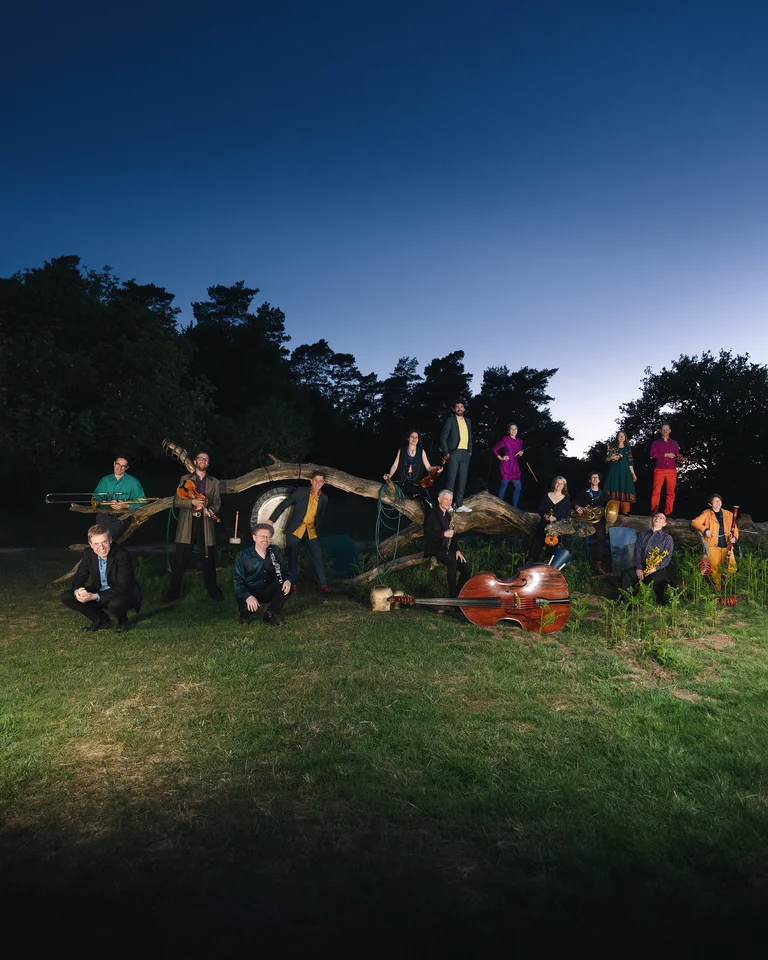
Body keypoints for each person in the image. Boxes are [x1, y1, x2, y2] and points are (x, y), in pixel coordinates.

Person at [162, 451, 223, 602]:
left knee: (208, 558)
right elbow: (177, 501)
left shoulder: (214, 482)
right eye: (200, 458)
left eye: (206, 459)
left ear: (208, 463)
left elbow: (217, 502)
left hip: (205, 522)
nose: (203, 461)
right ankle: (173, 592)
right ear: (195, 461)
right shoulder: (185, 479)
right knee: (180, 558)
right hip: (187, 522)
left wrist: (211, 511)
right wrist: (192, 502)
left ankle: (213, 591)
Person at [61, 524, 142, 633]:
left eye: (104, 542)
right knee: (68, 596)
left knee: (115, 603)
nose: (102, 547)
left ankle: (123, 621)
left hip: (122, 594)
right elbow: (79, 577)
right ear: (90, 544)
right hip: (100, 590)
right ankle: (102, 620)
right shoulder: (89, 553)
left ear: (110, 540)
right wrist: (79, 591)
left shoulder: (122, 555)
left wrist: (94, 596)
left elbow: (122, 587)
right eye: (96, 544)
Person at [270, 470, 331, 594]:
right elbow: (285, 504)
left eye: (320, 481)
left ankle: (323, 585)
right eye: (316, 480)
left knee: (318, 556)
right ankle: (291, 585)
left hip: (311, 530)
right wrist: (271, 520)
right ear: (311, 481)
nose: (318, 483)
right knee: (292, 558)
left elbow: (320, 517)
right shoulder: (301, 492)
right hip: (295, 529)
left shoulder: (324, 498)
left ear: (323, 483)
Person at [233, 523, 293, 626]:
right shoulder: (243, 555)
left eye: (268, 537)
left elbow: (285, 570)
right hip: (250, 590)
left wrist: (288, 580)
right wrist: (248, 596)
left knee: (287, 587)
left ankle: (271, 613)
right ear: (254, 537)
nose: (265, 539)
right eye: (262, 536)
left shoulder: (275, 551)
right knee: (245, 606)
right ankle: (244, 614)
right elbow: (237, 581)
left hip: (268, 589)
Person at [424, 489, 471, 597]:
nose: (448, 502)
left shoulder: (448, 516)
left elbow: (452, 536)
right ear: (439, 499)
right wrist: (443, 534)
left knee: (467, 567)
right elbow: (427, 534)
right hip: (436, 548)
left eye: (450, 500)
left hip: (448, 548)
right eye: (446, 499)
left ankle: (460, 594)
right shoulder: (432, 514)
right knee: (452, 563)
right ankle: (453, 597)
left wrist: (457, 550)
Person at [383, 430, 442, 515]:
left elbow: (429, 467)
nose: (414, 439)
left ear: (418, 439)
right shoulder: (402, 450)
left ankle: (432, 514)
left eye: (416, 437)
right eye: (412, 436)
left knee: (427, 496)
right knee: (416, 493)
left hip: (417, 481)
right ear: (408, 438)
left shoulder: (421, 452)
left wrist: (437, 468)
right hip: (404, 481)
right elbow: (395, 465)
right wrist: (390, 475)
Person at [620, 513, 674, 603]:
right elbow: (637, 553)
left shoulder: (667, 539)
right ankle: (627, 601)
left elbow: (667, 558)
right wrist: (639, 568)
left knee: (652, 580)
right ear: (652, 519)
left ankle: (643, 602)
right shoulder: (642, 534)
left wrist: (654, 568)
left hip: (658, 569)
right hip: (643, 566)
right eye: (656, 516)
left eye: (661, 518)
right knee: (626, 574)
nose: (658, 518)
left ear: (664, 524)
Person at [691, 494, 739, 590]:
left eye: (719, 501)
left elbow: (735, 529)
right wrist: (705, 530)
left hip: (727, 545)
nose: (718, 502)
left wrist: (734, 537)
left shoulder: (728, 514)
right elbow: (694, 522)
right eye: (715, 501)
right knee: (715, 569)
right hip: (713, 546)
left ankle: (725, 586)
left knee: (732, 568)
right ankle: (717, 589)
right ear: (710, 504)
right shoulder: (706, 513)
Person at [93, 456, 146, 541]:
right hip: (105, 514)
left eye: (123, 466)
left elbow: (143, 501)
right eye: (118, 464)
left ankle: (103, 544)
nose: (119, 468)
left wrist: (127, 506)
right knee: (100, 531)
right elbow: (96, 497)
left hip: (123, 516)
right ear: (114, 463)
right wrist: (109, 503)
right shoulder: (105, 480)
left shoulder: (133, 482)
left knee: (106, 536)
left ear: (126, 468)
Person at [439, 400, 473, 513]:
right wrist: (447, 452)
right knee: (451, 479)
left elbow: (470, 437)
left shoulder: (468, 421)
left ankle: (459, 505)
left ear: (464, 409)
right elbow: (443, 438)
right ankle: (447, 505)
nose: (459, 408)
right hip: (454, 453)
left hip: (465, 453)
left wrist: (470, 452)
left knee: (462, 480)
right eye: (457, 407)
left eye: (461, 406)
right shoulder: (450, 420)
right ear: (454, 409)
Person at [573, 471, 609, 574]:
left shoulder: (604, 493)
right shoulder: (584, 492)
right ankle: (578, 559)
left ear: (599, 480)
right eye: (593, 478)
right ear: (590, 480)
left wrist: (601, 512)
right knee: (579, 534)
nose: (595, 479)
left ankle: (598, 562)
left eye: (597, 478)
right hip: (585, 519)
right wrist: (577, 507)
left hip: (598, 519)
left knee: (601, 537)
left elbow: (608, 507)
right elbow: (575, 503)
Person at [529, 476, 571, 562]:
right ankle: (531, 564)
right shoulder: (546, 495)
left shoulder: (566, 498)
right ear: (554, 484)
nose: (559, 485)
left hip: (556, 527)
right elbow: (540, 509)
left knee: (552, 549)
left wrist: (556, 518)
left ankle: (548, 565)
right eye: (557, 483)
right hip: (544, 524)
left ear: (564, 486)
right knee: (536, 546)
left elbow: (567, 514)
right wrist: (545, 516)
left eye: (561, 484)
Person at [603, 430, 637, 515]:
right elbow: (606, 459)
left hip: (625, 471)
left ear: (625, 437)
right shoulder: (612, 448)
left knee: (625, 488)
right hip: (614, 471)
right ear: (617, 437)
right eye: (619, 435)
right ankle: (614, 511)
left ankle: (625, 511)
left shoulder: (628, 448)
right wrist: (611, 458)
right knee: (614, 488)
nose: (621, 437)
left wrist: (633, 474)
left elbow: (630, 462)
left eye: (623, 436)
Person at [650, 423, 679, 517]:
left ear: (670, 431)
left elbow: (676, 455)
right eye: (663, 429)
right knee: (656, 491)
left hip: (671, 470)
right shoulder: (656, 443)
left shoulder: (674, 443)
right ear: (660, 431)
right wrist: (665, 455)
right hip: (659, 469)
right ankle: (654, 510)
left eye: (667, 429)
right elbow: (653, 454)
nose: (665, 430)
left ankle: (669, 512)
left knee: (671, 492)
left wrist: (680, 458)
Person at [492, 422, 524, 508]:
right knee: (504, 485)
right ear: (509, 431)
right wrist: (501, 457)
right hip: (506, 465)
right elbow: (494, 449)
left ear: (517, 430)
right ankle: (498, 507)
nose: (514, 430)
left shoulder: (520, 441)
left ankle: (515, 508)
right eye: (511, 429)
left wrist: (520, 454)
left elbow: (517, 456)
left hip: (515, 466)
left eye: (515, 428)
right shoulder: (505, 439)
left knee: (518, 487)